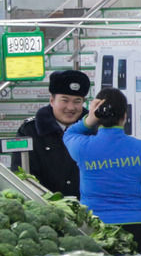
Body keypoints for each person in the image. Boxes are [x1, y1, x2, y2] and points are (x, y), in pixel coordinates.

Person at [64, 88, 141, 252]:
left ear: (97, 115)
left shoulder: (83, 147)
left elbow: (69, 133)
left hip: (95, 229)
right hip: (136, 230)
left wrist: (89, 119)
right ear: (125, 116)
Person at [18, 70, 91, 198]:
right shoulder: (29, 131)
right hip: (45, 208)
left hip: (90, 208)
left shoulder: (94, 130)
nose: (71, 107)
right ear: (52, 101)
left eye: (77, 101)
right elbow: (22, 175)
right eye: (64, 100)